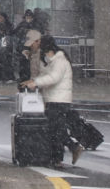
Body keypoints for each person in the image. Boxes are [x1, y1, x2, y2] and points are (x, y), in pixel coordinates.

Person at [20, 35, 83, 169]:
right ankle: (58, 157)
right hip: (52, 99)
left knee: (56, 129)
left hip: (59, 100)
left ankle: (72, 148)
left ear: (48, 49)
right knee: (55, 129)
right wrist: (32, 81)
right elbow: (44, 75)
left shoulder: (60, 61)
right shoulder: (51, 61)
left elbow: (53, 78)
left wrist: (35, 82)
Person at [0, 11, 15, 83]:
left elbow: (10, 33)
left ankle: (9, 77)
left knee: (7, 60)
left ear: (4, 18)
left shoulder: (8, 25)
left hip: (6, 43)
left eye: (0, 18)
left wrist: (4, 33)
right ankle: (0, 77)